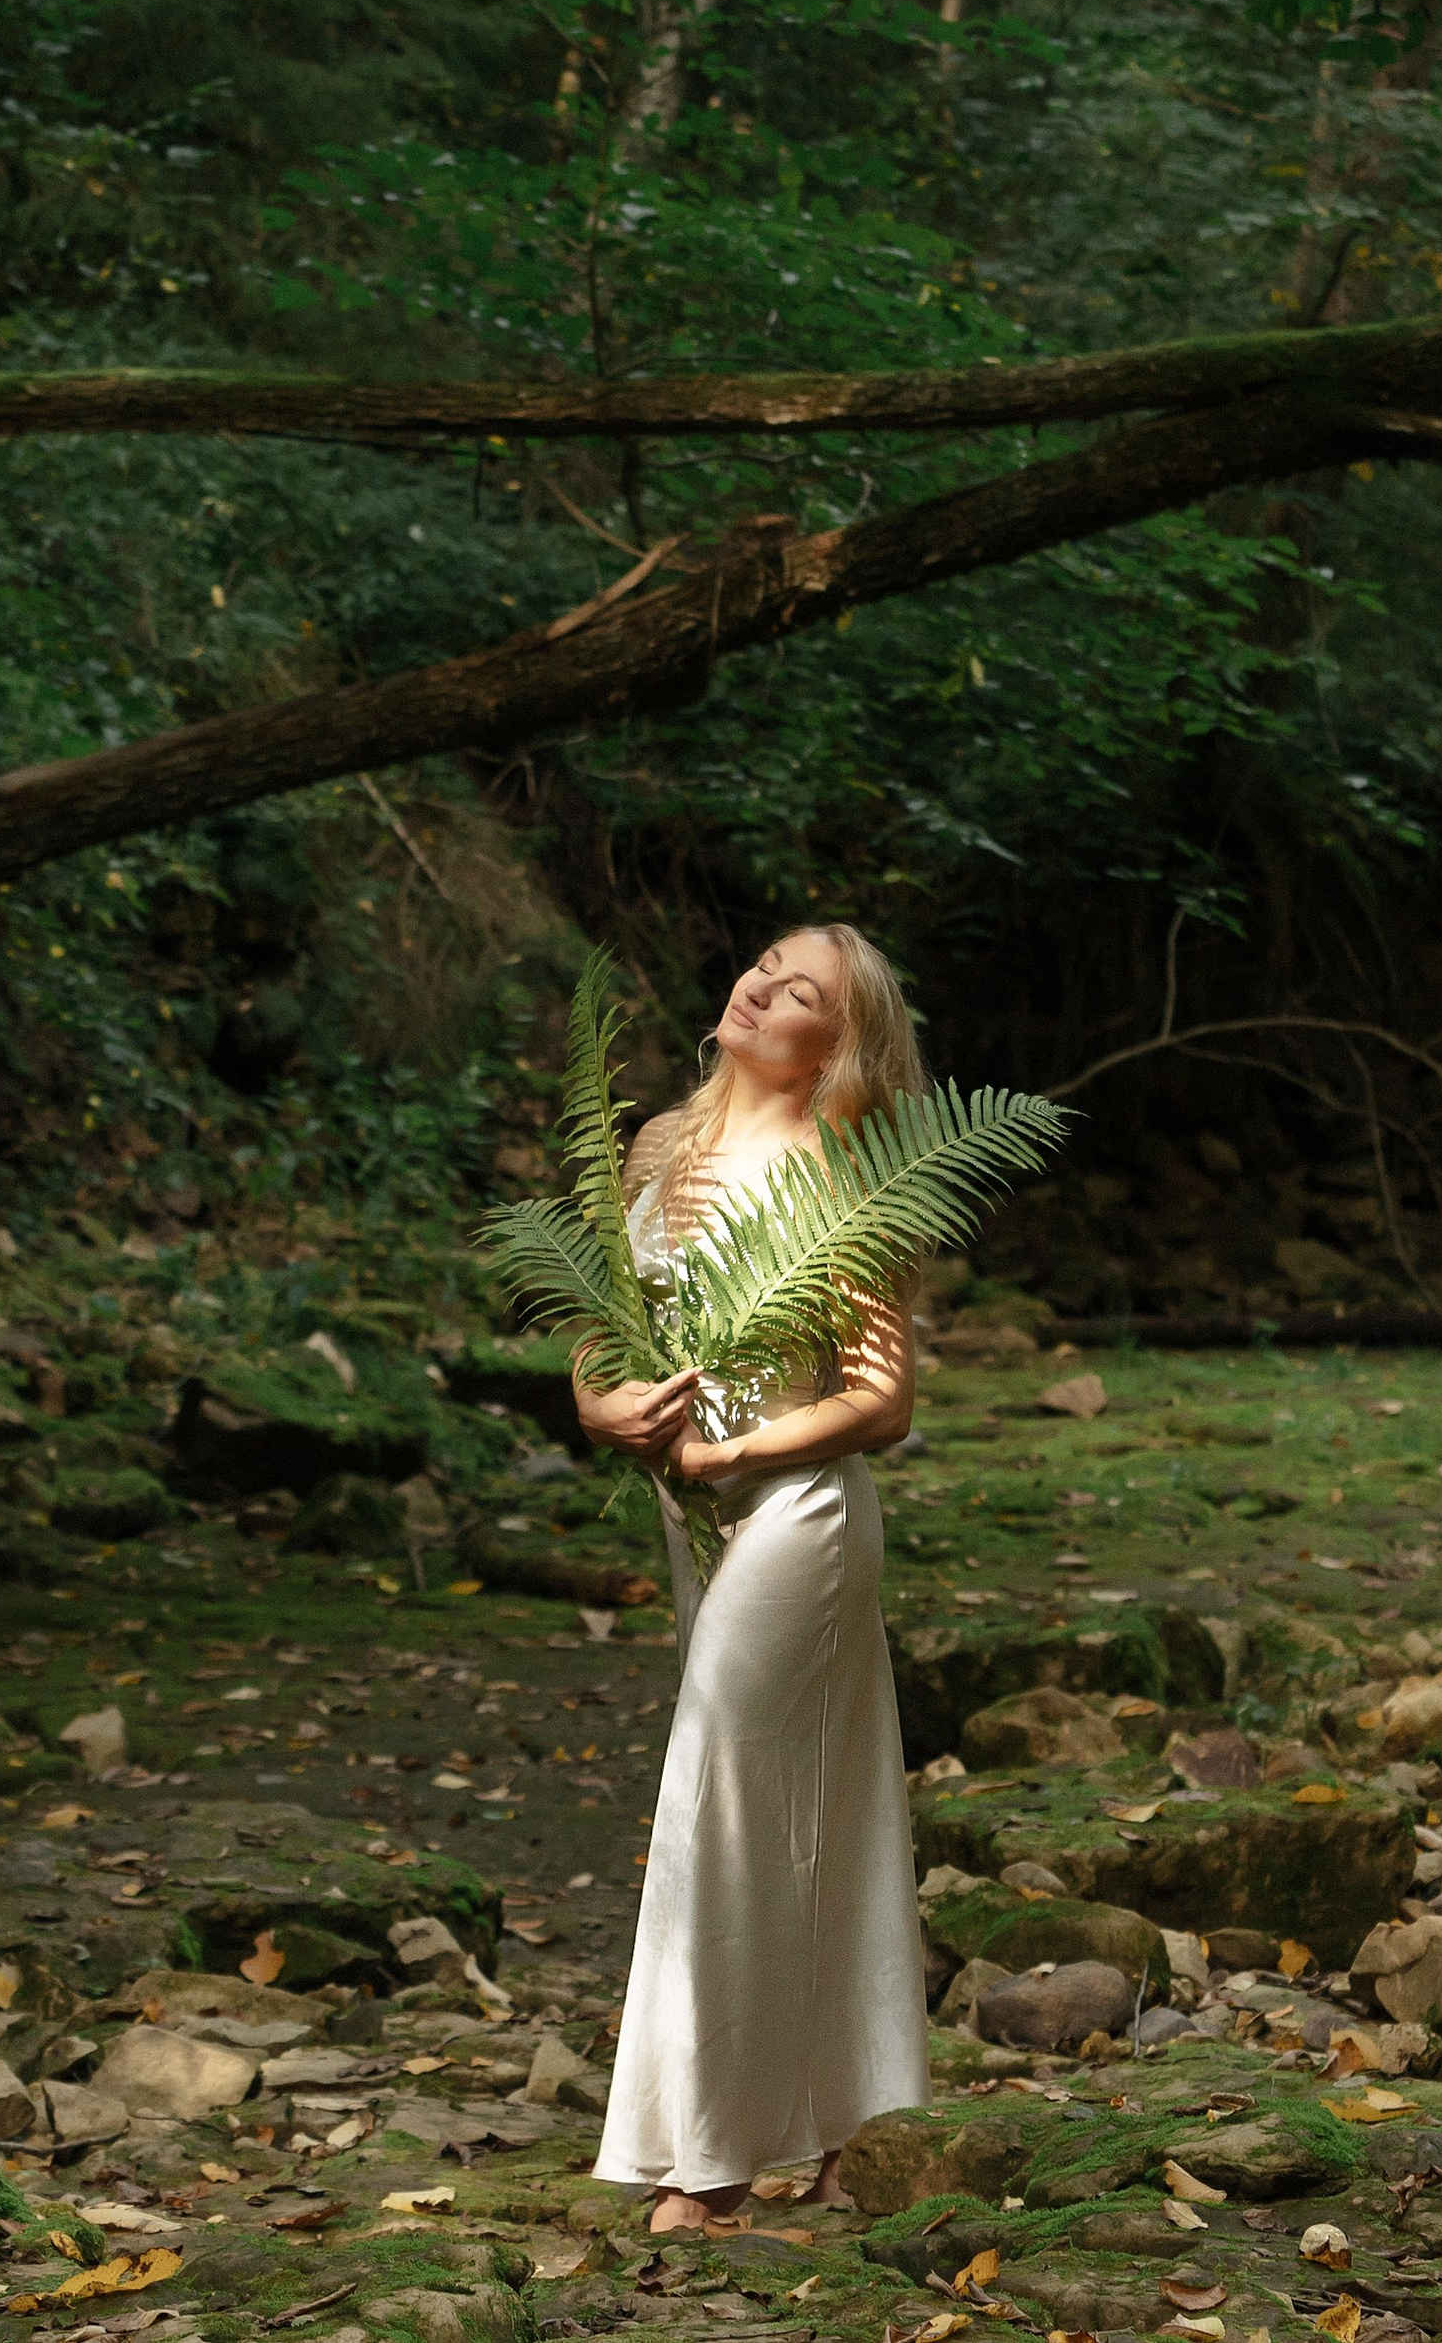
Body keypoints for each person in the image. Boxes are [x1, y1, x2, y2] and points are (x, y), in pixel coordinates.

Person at [573, 925, 931, 2235]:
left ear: (836, 1043)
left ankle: (707, 2156)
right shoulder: (660, 1145)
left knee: (720, 1763)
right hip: (696, 1510)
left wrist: (733, 1446)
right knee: (812, 1797)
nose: (760, 988)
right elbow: (599, 1332)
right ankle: (857, 2120)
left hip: (802, 1507)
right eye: (765, 966)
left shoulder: (849, 1170)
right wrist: (607, 1407)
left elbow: (884, 1401)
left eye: (801, 993)